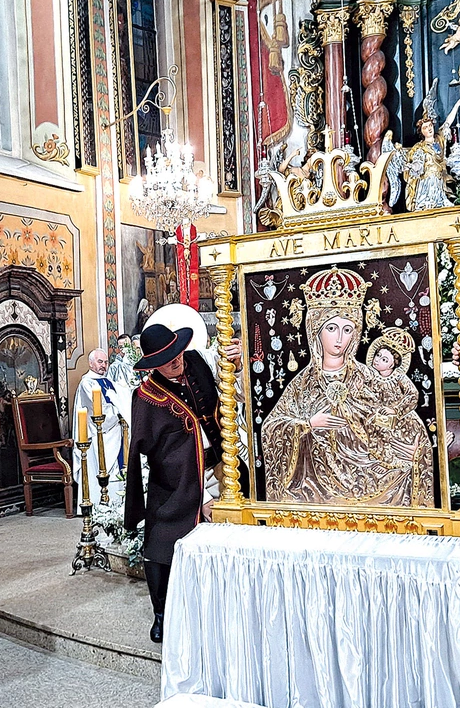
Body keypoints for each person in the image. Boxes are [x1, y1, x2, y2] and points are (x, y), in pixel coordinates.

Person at [262, 267, 434, 508]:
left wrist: (413, 449)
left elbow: (402, 418)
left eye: (347, 329)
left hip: (373, 474)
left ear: (356, 332)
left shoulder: (369, 377)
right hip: (314, 487)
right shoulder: (303, 384)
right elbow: (271, 427)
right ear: (315, 330)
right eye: (331, 328)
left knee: (400, 474)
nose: (339, 339)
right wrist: (308, 424)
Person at [125, 323, 242, 643]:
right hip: (175, 480)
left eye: (176, 352)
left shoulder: (198, 362)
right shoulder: (146, 397)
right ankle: (161, 614)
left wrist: (237, 363)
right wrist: (199, 497)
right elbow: (158, 455)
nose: (176, 361)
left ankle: (225, 605)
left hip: (223, 462)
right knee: (160, 542)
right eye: (167, 359)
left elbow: (231, 384)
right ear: (153, 364)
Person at [366, 329, 434, 508]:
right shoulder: (371, 379)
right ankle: (383, 461)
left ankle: (393, 463)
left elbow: (413, 396)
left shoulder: (399, 378)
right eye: (378, 355)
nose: (378, 360)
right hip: (380, 419)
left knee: (393, 438)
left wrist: (395, 410)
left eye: (384, 359)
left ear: (392, 365)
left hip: (403, 421)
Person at [73, 348, 130, 509]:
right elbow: (98, 412)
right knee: (101, 468)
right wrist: (119, 410)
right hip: (98, 435)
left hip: (116, 433)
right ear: (91, 363)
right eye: (100, 362)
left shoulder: (108, 381)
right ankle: (100, 505)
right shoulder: (87, 383)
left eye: (106, 362)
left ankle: (117, 504)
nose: (103, 365)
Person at [403, 96, 460, 212]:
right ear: (421, 132)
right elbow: (418, 163)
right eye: (425, 127)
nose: (429, 129)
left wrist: (456, 106)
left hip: (439, 178)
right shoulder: (420, 147)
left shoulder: (439, 139)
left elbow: (448, 122)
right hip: (427, 179)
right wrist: (412, 166)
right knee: (428, 203)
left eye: (430, 126)